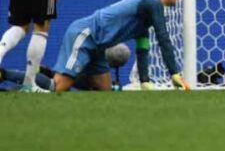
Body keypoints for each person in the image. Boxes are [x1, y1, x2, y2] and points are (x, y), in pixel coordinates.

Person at [52, 0, 190, 92]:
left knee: (105, 90)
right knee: (60, 87)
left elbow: (142, 49)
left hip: (98, 48)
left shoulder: (144, 18)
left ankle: (61, 76)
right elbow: (163, 37)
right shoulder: (152, 2)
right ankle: (43, 78)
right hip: (86, 34)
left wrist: (145, 81)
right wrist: (174, 73)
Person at [0, 43, 129, 91]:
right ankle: (5, 75)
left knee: (56, 85)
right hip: (77, 71)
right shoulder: (99, 65)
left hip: (75, 67)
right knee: (55, 86)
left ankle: (9, 85)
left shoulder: (97, 49)